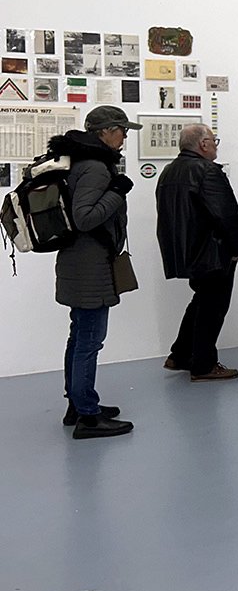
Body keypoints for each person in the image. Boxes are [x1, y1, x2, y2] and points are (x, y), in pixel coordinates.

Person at [49, 105, 142, 439]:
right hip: (89, 266)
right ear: (105, 131)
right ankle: (88, 417)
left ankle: (77, 405)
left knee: (80, 337)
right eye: (122, 130)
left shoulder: (83, 161)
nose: (125, 136)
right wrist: (117, 191)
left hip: (80, 263)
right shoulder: (95, 168)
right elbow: (85, 218)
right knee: (89, 340)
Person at [156, 125, 238, 382]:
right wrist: (237, 249)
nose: (216, 145)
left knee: (202, 301)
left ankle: (180, 355)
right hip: (212, 252)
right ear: (203, 144)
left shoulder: (169, 170)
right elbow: (226, 214)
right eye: (214, 141)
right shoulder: (207, 171)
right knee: (213, 307)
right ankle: (203, 365)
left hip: (186, 251)